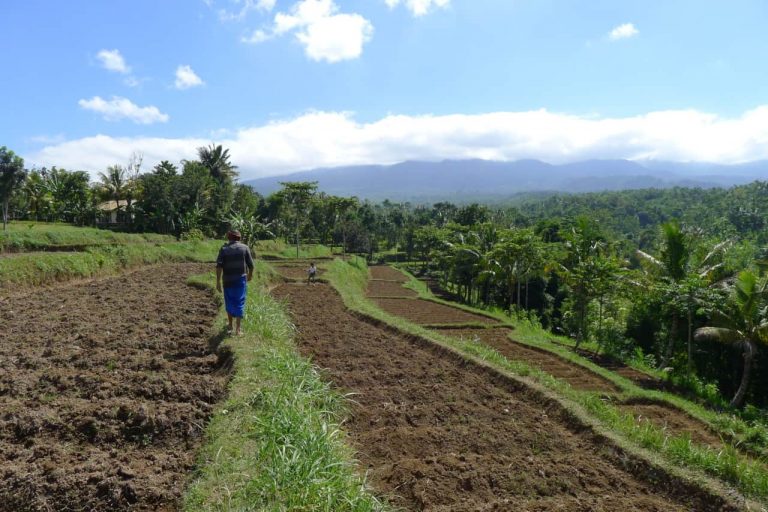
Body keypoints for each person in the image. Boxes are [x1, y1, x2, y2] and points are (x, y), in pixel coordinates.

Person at [216, 230, 254, 335]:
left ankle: (230, 325)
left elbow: (219, 266)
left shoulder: (224, 249)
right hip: (240, 280)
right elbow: (251, 265)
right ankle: (238, 329)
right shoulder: (245, 248)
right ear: (239, 238)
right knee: (239, 301)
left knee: (229, 301)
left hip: (227, 280)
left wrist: (218, 282)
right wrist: (250, 276)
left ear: (229, 238)